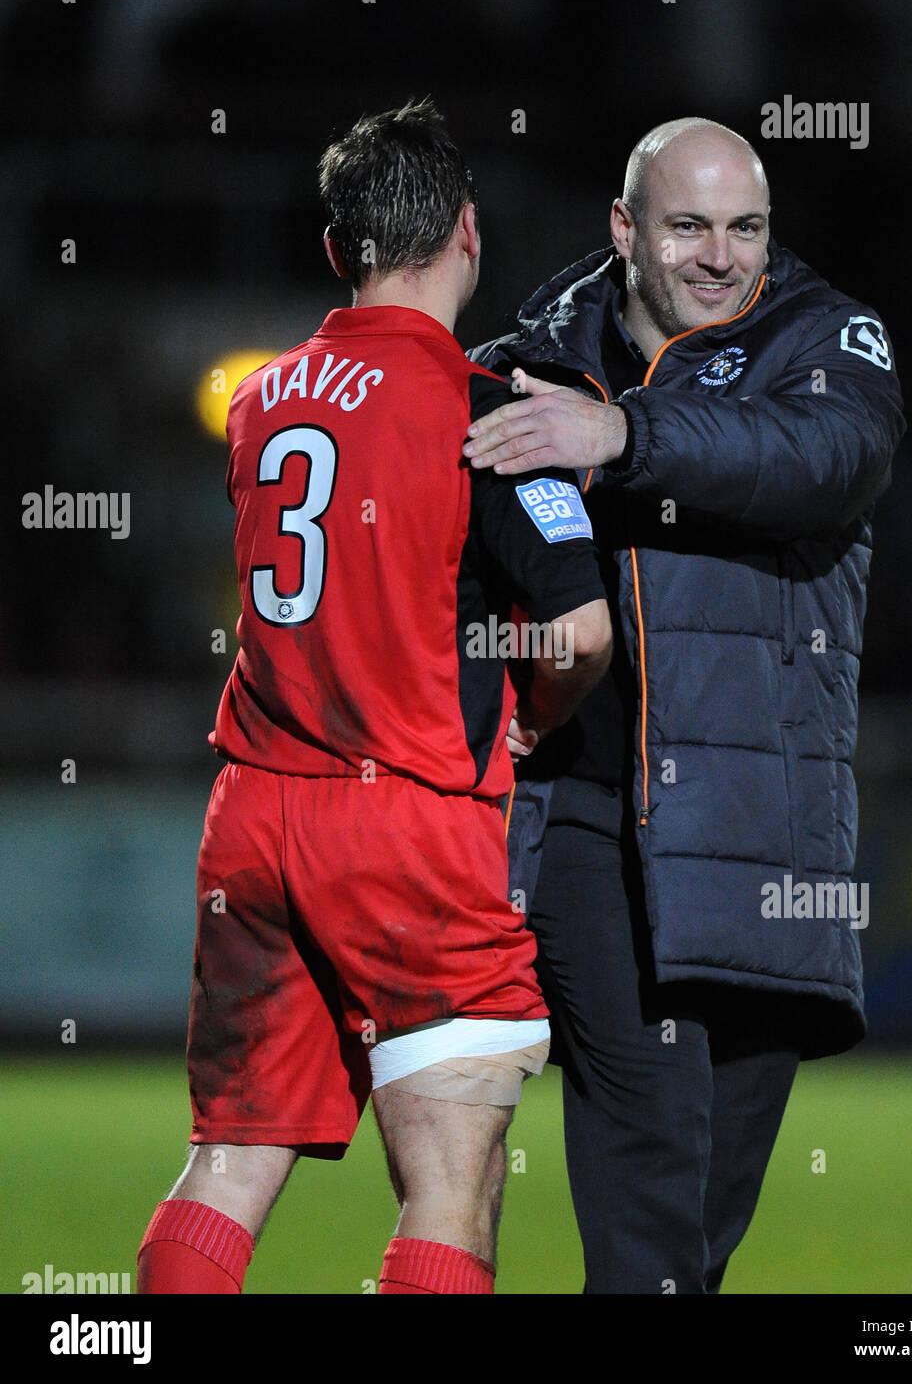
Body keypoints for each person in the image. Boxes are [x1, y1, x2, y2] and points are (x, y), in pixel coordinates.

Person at [136, 99, 611, 1296]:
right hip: (406, 823)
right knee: (453, 1177)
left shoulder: (262, 398)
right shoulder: (481, 410)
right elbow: (583, 629)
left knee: (227, 1164)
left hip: (253, 814)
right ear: (467, 231)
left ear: (335, 247)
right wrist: (537, 709)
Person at [466, 116, 906, 1294]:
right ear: (624, 229)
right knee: (652, 1171)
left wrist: (622, 432)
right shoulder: (535, 359)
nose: (720, 256)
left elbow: (823, 455)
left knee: (696, 1231)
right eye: (688, 225)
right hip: (589, 825)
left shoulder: (823, 339)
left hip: (763, 831)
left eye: (745, 226)